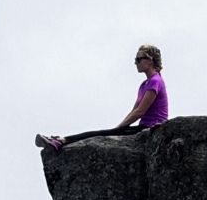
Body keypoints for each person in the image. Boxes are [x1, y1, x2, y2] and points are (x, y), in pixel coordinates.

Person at [36, 45, 169, 152]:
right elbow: (134, 111)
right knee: (105, 133)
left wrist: (118, 128)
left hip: (151, 129)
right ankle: (60, 140)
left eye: (139, 59)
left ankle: (61, 140)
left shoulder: (155, 81)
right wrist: (118, 128)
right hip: (143, 127)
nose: (136, 63)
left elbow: (140, 112)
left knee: (101, 134)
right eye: (135, 60)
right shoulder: (144, 85)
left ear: (150, 60)